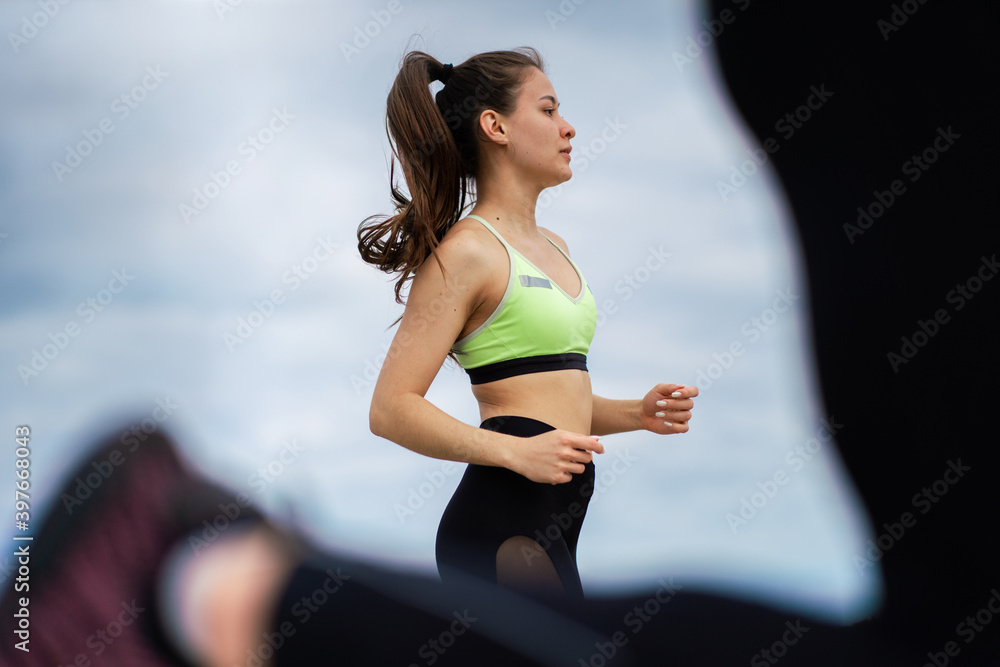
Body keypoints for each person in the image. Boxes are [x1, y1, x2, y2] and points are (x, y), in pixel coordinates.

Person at [356, 47, 699, 602]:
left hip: (557, 514)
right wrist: (514, 452)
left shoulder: (556, 247)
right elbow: (390, 409)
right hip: (501, 521)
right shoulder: (467, 253)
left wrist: (636, 413)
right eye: (548, 110)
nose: (568, 127)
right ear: (495, 126)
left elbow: (546, 398)